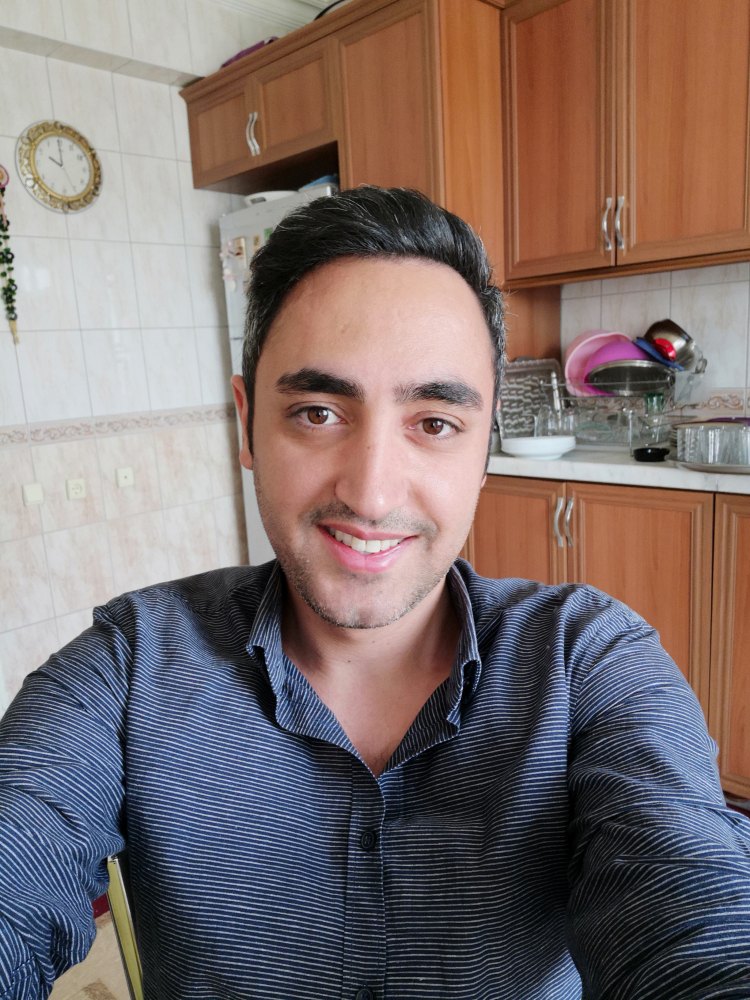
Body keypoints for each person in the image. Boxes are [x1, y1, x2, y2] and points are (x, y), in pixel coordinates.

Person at [1, 186, 749, 1000]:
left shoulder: (589, 661)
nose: (370, 492)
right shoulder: (127, 668)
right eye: (318, 413)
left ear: (485, 444)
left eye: (434, 422)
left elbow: (689, 900)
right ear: (247, 423)